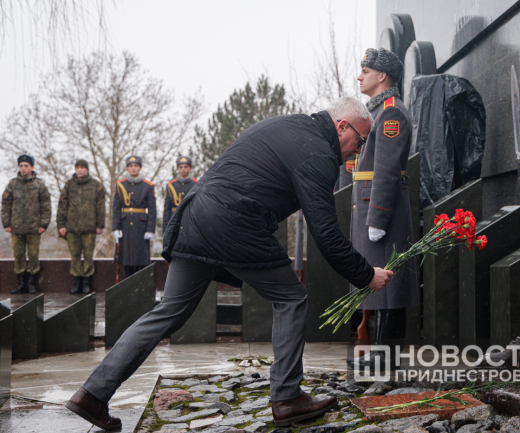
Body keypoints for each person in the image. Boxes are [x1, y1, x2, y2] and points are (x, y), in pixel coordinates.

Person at [65, 97, 394, 431]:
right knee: (291, 298)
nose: (358, 151)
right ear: (342, 126)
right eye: (360, 141)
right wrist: (366, 275)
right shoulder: (318, 153)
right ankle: (287, 398)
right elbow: (325, 233)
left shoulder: (285, 123)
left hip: (196, 216)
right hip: (235, 222)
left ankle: (92, 394)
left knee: (167, 311)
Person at [346, 48, 418, 370]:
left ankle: (386, 357)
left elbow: (387, 170)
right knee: (378, 284)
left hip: (381, 210)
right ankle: (380, 353)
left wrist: (377, 217)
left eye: (366, 71)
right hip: (370, 205)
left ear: (382, 75)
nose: (360, 76)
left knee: (390, 285)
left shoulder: (391, 113)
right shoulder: (377, 112)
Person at [1, 154, 51, 294]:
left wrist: (43, 224)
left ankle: (31, 284)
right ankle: (21, 284)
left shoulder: (39, 185)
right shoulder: (12, 184)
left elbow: (46, 206)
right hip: (16, 227)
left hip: (34, 228)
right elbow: (5, 205)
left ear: (32, 167)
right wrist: (6, 223)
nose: (23, 168)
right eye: (21, 166)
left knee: (33, 256)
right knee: (19, 256)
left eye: (26, 166)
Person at [57, 159, 106, 294]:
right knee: (75, 255)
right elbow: (62, 206)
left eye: (82, 168)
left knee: (89, 255)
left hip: (89, 228)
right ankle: (76, 282)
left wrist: (100, 224)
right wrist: (61, 224)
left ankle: (86, 283)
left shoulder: (96, 185)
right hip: (72, 227)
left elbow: (101, 206)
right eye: (77, 168)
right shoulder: (69, 185)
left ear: (87, 169)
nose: (79, 170)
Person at [112, 156, 156, 278]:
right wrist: (116, 227)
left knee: (141, 257)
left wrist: (150, 229)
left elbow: (152, 209)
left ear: (140, 168)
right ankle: (128, 282)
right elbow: (116, 207)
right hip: (125, 225)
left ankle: (139, 282)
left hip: (141, 225)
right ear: (127, 168)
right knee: (126, 257)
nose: (133, 168)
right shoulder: (120, 185)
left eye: (136, 166)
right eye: (131, 166)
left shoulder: (148, 186)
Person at [162, 156, 197, 233]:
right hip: (175, 219)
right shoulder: (171, 185)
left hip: (191, 219)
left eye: (186, 167)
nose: (183, 169)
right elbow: (167, 208)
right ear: (178, 169)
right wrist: (165, 227)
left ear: (190, 168)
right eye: (181, 167)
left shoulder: (196, 184)